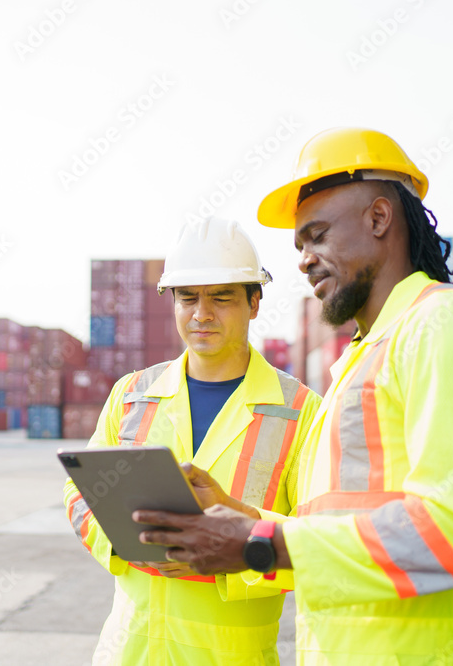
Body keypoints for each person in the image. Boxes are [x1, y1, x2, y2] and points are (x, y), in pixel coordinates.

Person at [134, 128, 453, 664]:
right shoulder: (362, 357)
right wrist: (240, 517)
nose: (303, 260)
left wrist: (256, 546)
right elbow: (340, 530)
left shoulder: (447, 325)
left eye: (317, 235)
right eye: (299, 245)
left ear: (379, 218)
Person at [63, 217, 322, 665]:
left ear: (255, 301)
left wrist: (230, 547)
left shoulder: (302, 411)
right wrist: (130, 548)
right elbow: (79, 493)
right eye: (188, 298)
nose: (201, 314)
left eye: (221, 298)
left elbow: (317, 540)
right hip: (130, 652)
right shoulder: (131, 394)